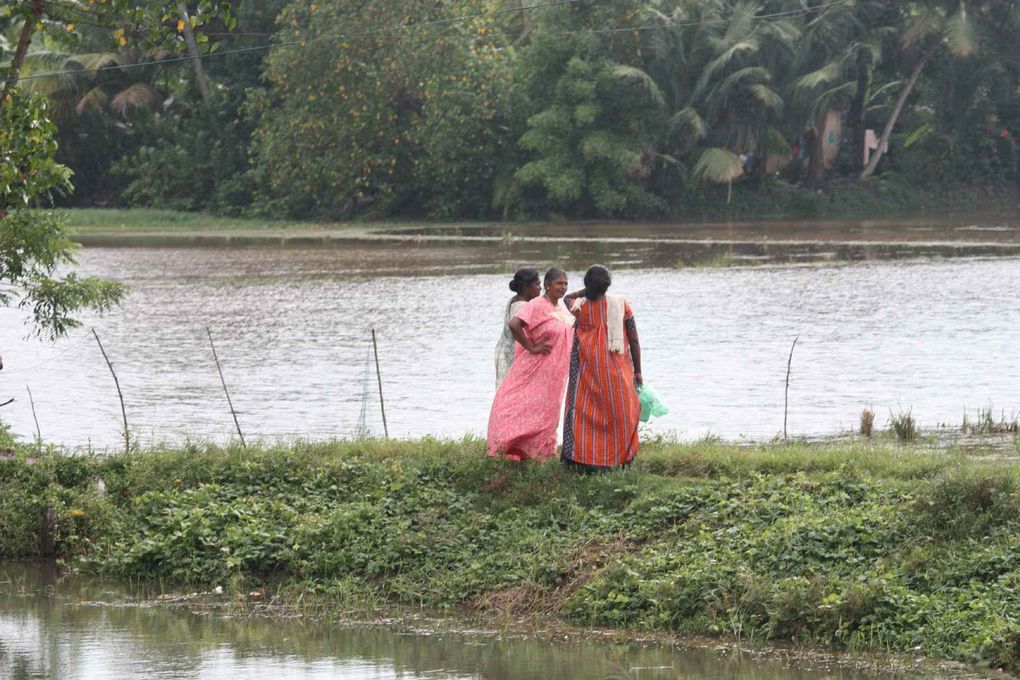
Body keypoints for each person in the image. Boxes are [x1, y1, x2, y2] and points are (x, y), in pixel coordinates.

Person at [487, 268, 574, 462]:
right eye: (559, 283)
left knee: (547, 411)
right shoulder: (536, 304)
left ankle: (541, 451)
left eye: (566, 283)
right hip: (535, 368)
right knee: (520, 405)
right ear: (547, 285)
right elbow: (514, 324)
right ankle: (507, 444)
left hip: (555, 374)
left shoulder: (559, 309)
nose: (563, 287)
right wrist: (531, 346)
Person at [561, 265, 642, 470]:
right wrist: (639, 371)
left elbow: (567, 297)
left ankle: (583, 458)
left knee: (583, 411)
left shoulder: (579, 307)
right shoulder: (621, 304)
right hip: (617, 370)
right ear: (607, 286)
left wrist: (586, 292)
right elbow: (634, 340)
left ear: (587, 285)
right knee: (623, 412)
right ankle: (619, 459)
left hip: (587, 371)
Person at [494, 268, 541, 389]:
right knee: (512, 390)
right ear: (526, 287)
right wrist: (530, 347)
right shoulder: (523, 306)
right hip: (511, 355)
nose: (540, 288)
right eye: (537, 284)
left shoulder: (513, 300)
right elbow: (514, 326)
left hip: (503, 350)